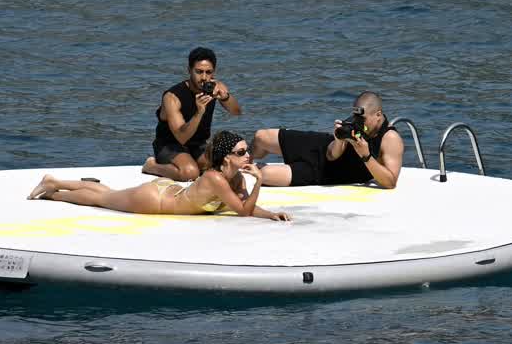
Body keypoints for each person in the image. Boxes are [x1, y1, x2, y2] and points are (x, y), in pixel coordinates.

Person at [28, 131, 290, 221]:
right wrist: (259, 181)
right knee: (102, 199)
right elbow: (243, 212)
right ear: (226, 158)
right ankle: (55, 193)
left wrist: (270, 215)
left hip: (167, 192)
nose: (248, 155)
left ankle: (55, 183)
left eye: (246, 150)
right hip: (155, 200)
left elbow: (246, 206)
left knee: (108, 194)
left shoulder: (236, 179)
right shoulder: (216, 179)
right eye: (241, 152)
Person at [251, 91, 404, 189]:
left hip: (325, 172)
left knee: (264, 174)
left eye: (362, 119)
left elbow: (390, 182)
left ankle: (243, 170)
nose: (359, 122)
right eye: (356, 117)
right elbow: (331, 155)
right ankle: (244, 159)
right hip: (322, 145)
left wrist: (365, 155)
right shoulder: (356, 125)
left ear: (378, 115)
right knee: (261, 136)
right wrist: (339, 140)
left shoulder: (390, 138)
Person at [142, 47, 241, 181]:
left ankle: (194, 161)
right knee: (190, 173)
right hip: (170, 144)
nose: (204, 77)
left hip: (197, 143)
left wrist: (225, 97)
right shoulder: (172, 97)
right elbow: (181, 137)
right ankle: (152, 166)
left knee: (222, 168)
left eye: (208, 72)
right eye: (199, 72)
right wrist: (199, 112)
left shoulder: (216, 87)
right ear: (189, 70)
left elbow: (236, 112)